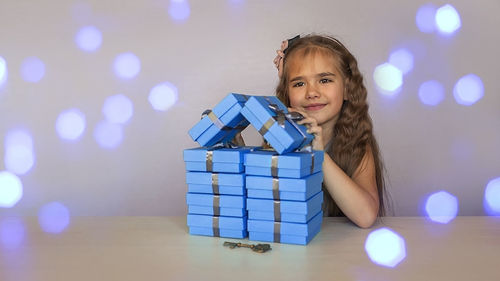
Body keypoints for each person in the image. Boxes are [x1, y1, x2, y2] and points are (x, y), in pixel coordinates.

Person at [272, 34, 389, 228]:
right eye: (299, 84)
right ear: (287, 93)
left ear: (347, 88)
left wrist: (319, 154)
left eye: (324, 80)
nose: (311, 93)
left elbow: (366, 216)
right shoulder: (280, 139)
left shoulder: (356, 143)